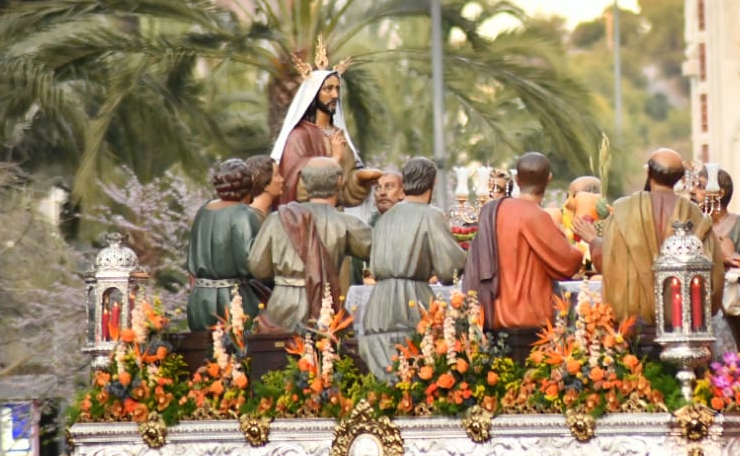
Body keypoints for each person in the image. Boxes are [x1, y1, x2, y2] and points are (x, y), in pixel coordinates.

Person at [580, 149, 724, 328]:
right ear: (680, 178)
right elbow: (715, 278)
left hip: (633, 325)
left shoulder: (623, 212)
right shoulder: (697, 216)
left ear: (648, 173)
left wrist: (594, 241)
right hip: (682, 324)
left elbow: (610, 262)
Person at [358, 156, 470, 376]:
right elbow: (449, 269)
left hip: (378, 304)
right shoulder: (431, 215)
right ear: (432, 183)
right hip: (411, 301)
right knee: (413, 373)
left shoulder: (384, 219)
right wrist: (469, 254)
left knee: (385, 378)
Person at [248, 157, 372, 334]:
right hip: (322, 306)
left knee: (278, 351)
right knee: (323, 350)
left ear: (304, 182)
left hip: (282, 306)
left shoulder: (277, 219)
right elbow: (380, 252)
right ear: (339, 181)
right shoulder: (346, 223)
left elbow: (258, 268)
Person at [466, 155, 584, 332]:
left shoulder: (496, 211)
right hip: (529, 317)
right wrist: (580, 242)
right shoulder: (538, 217)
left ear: (516, 179)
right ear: (549, 179)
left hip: (492, 315)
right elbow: (568, 263)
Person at [271, 68, 375, 209]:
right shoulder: (299, 136)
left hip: (336, 216)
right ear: (314, 94)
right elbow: (295, 184)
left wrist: (360, 178)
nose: (335, 95)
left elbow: (346, 186)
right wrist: (334, 160)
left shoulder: (338, 134)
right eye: (328, 89)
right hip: (308, 216)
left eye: (337, 88)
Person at [187, 159, 263, 331]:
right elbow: (253, 263)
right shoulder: (245, 215)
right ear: (249, 184)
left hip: (200, 299)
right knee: (240, 345)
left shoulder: (203, 211)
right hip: (234, 298)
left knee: (203, 346)